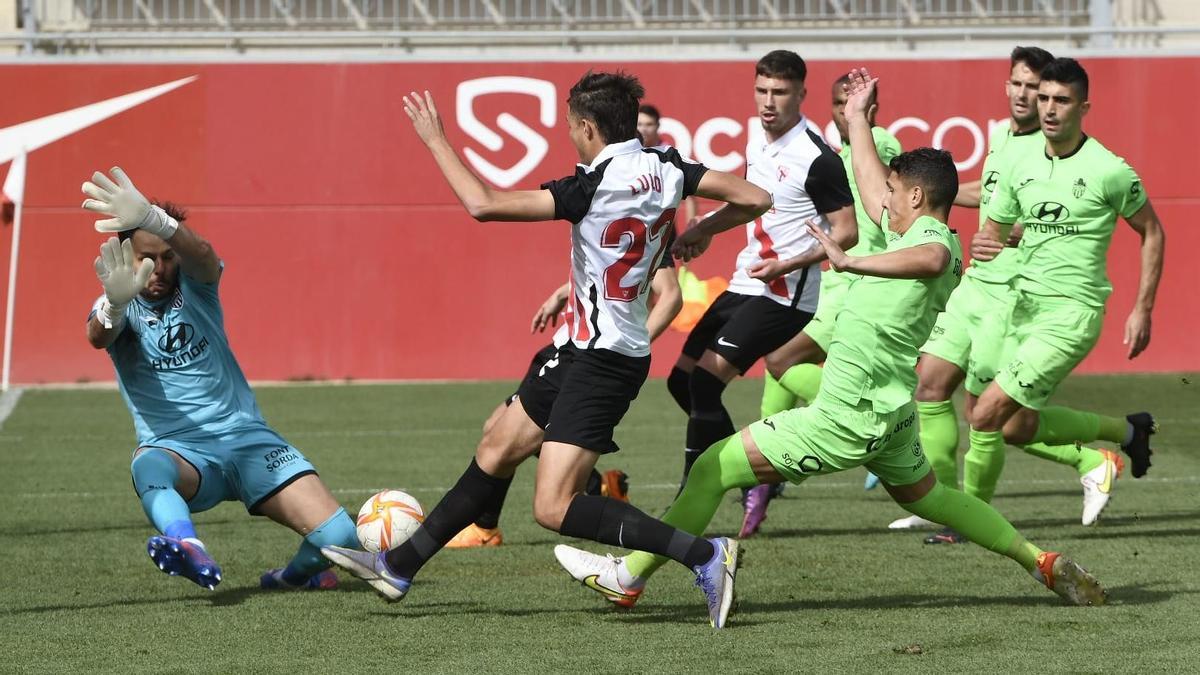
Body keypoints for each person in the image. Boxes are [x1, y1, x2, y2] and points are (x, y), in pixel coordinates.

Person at [553, 69, 1107, 619]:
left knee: (711, 470)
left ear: (915, 195)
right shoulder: (907, 226)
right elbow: (870, 190)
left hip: (847, 417)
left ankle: (627, 578)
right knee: (935, 498)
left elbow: (933, 258)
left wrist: (850, 260)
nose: (880, 202)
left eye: (893, 193)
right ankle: (1040, 560)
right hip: (889, 416)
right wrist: (860, 120)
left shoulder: (934, 240)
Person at [322, 71, 773, 629]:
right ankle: (399, 566)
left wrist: (435, 138)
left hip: (605, 360)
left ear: (587, 127)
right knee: (497, 445)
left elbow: (482, 205)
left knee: (552, 507)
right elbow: (757, 198)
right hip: (579, 345)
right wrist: (699, 232)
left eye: (568, 125)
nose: (567, 134)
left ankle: (705, 554)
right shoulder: (669, 168)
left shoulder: (590, 186)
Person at [82, 168, 359, 592]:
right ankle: (187, 544)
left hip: (247, 440)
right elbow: (98, 337)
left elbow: (204, 254)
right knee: (148, 464)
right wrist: (114, 307)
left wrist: (157, 221)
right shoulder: (115, 301)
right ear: (125, 258)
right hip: (179, 451)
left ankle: (291, 577)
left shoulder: (196, 289)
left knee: (341, 538)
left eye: (166, 256)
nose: (157, 267)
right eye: (145, 257)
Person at [905, 47, 1133, 542]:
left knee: (997, 419)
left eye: (1037, 88)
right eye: (1017, 84)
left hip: (1013, 294)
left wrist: (1010, 232)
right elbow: (987, 198)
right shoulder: (1003, 139)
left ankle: (1096, 456)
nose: (1027, 96)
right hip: (977, 285)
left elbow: (1055, 224)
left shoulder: (1057, 155)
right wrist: (923, 190)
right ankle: (944, 504)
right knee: (929, 384)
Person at [964, 57, 1164, 529]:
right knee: (1016, 426)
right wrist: (985, 242)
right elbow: (996, 230)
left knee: (986, 413)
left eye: (1062, 100)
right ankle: (1124, 434)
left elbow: (1152, 231)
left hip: (1073, 315)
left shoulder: (1110, 171)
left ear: (1084, 107)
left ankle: (967, 522)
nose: (1049, 108)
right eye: (1045, 98)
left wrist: (1142, 309)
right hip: (1022, 307)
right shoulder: (1018, 161)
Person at [667, 50, 857, 503]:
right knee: (682, 380)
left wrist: (788, 264)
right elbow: (751, 203)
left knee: (705, 383)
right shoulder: (759, 142)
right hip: (746, 283)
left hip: (785, 294)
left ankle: (696, 491)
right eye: (762, 90)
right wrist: (703, 229)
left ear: (800, 94)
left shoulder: (817, 157)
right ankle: (756, 473)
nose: (769, 101)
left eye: (780, 92)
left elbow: (846, 233)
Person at [741, 70, 904, 535]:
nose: (840, 114)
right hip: (830, 279)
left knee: (779, 358)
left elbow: (887, 210)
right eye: (835, 105)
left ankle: (864, 424)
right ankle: (765, 477)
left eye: (847, 105)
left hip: (860, 281)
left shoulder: (879, 145)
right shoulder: (826, 153)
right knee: (775, 371)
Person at [448, 236, 682, 548]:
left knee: (502, 433)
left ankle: (484, 529)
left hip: (588, 356)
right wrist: (564, 292)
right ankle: (596, 486)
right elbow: (604, 274)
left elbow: (671, 296)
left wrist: (631, 346)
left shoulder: (645, 217)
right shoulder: (608, 206)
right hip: (568, 345)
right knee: (499, 430)